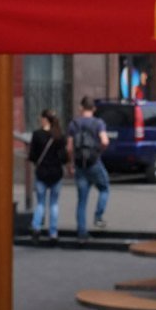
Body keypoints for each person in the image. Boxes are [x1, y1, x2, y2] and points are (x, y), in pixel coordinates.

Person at [66, 95, 109, 239]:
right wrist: (98, 152)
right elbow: (105, 141)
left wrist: (70, 164)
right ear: (94, 109)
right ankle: (98, 216)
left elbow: (69, 148)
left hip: (80, 165)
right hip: (94, 162)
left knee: (82, 201)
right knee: (104, 188)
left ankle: (82, 233)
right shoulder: (98, 123)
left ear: (81, 108)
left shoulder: (73, 124)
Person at [28, 108, 68, 244]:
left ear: (45, 119)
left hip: (41, 172)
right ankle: (53, 233)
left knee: (40, 203)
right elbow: (64, 157)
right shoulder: (59, 135)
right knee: (54, 203)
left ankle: (36, 228)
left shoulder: (37, 135)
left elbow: (32, 156)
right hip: (56, 173)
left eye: (41, 117)